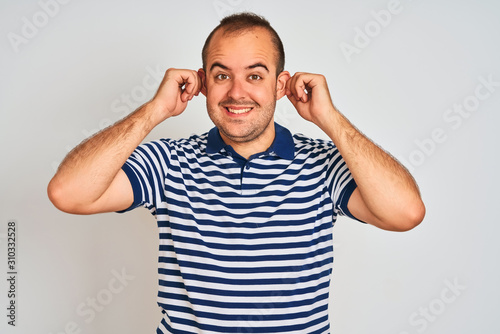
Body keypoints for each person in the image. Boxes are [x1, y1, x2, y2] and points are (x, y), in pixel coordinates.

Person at [48, 12, 425, 334]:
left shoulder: (323, 165)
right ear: (202, 83)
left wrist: (330, 120)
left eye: (256, 76)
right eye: (222, 75)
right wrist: (154, 111)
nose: (237, 92)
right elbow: (69, 193)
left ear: (281, 85)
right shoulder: (168, 162)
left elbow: (405, 213)